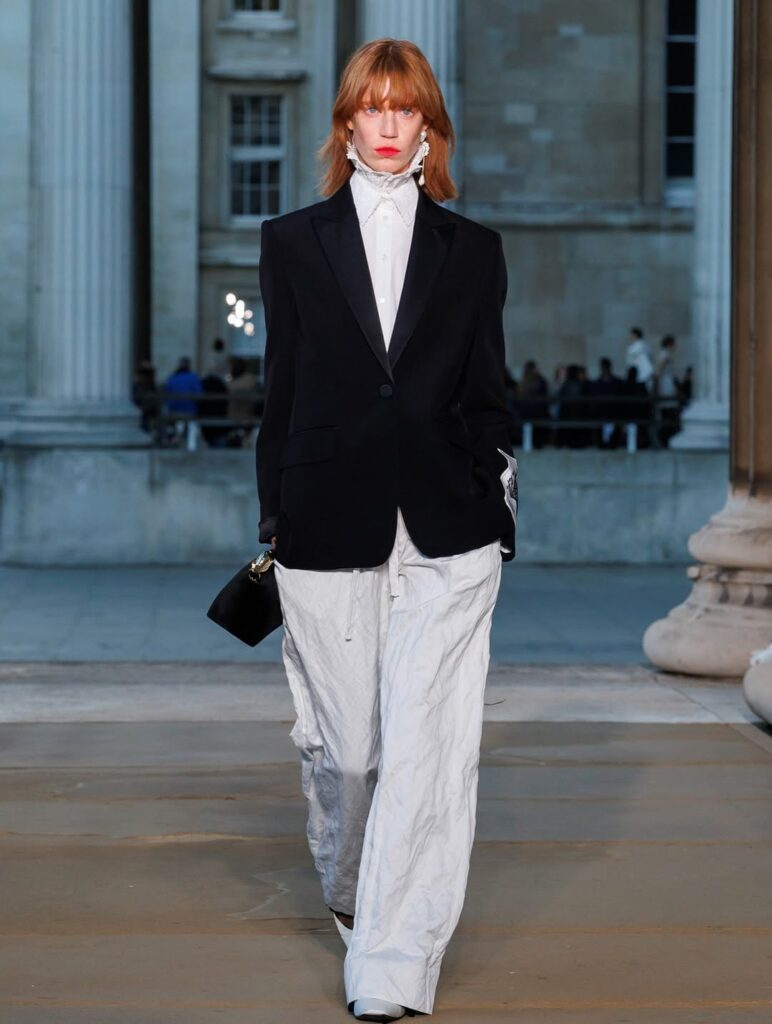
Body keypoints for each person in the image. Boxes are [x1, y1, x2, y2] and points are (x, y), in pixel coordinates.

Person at [255, 38, 517, 1021]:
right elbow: (281, 398)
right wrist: (274, 520)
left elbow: (487, 397)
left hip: (449, 528)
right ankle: (351, 886)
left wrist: (499, 509)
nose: (390, 124)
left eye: (407, 108)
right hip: (325, 520)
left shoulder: (474, 250)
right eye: (373, 106)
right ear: (347, 124)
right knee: (352, 756)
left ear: (429, 128)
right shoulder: (291, 241)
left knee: (424, 751)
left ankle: (392, 967)